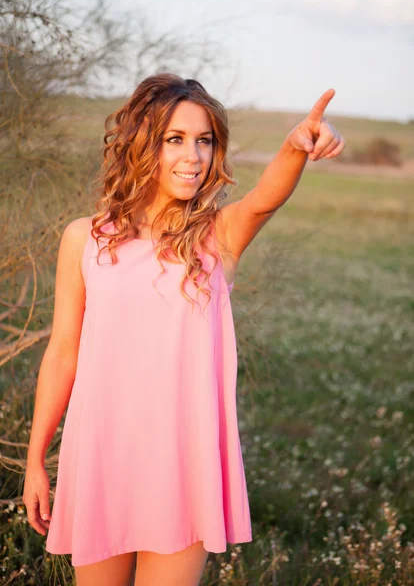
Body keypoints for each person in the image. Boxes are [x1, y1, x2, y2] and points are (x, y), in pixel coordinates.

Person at [23, 72, 345, 586]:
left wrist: (294, 145)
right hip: (101, 455)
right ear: (140, 145)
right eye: (174, 139)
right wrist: (36, 458)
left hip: (182, 466)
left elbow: (264, 198)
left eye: (204, 140)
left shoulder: (219, 238)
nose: (192, 156)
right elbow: (63, 353)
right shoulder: (83, 239)